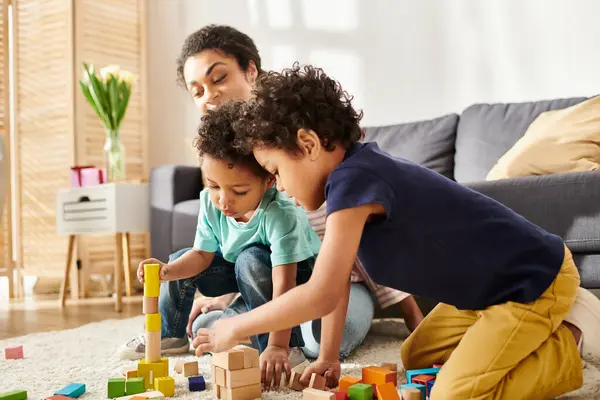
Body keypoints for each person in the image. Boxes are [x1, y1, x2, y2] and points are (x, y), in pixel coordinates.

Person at [193, 63, 600, 399]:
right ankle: (507, 341)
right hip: (483, 296)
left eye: (277, 172)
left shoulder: (355, 181)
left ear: (309, 143)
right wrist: (328, 357)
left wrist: (236, 326)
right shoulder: (348, 185)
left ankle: (566, 349)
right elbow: (340, 278)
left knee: (450, 396)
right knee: (416, 356)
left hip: (531, 283)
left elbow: (322, 292)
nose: (279, 186)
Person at [137, 101, 321, 388]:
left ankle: (286, 342)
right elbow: (201, 256)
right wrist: (167, 271)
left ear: (269, 180)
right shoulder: (212, 204)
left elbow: (284, 286)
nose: (223, 200)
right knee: (181, 257)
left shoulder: (280, 214)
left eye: (239, 191)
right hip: (244, 270)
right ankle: (169, 336)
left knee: (251, 259)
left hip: (297, 277)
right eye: (214, 186)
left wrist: (278, 346)